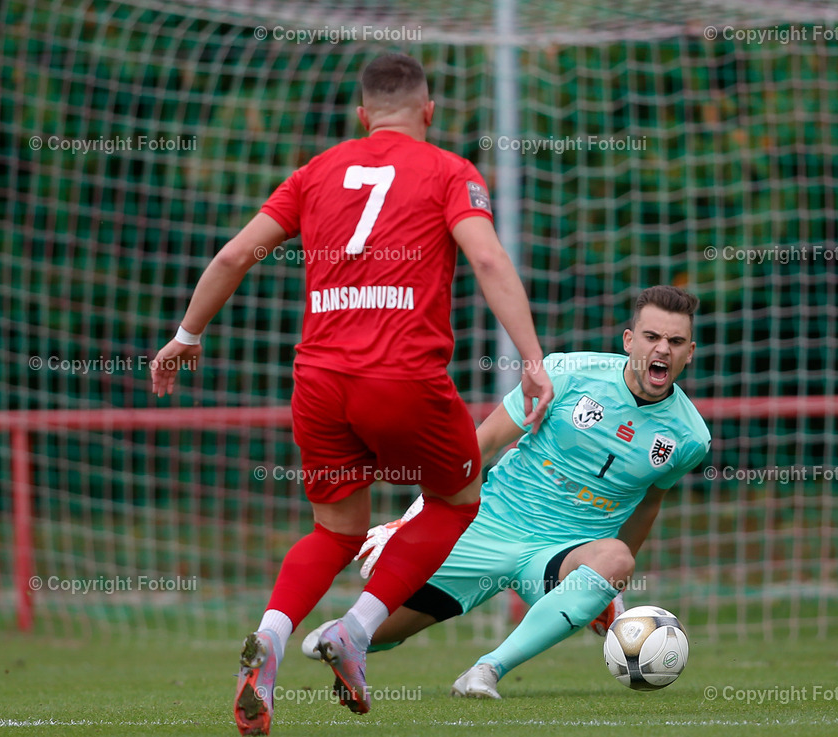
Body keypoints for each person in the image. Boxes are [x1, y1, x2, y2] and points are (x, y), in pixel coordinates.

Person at [149, 53, 553, 735]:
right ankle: (358, 629)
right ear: (429, 111)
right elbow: (486, 256)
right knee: (458, 498)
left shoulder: (314, 173)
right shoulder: (450, 170)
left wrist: (187, 334)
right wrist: (533, 358)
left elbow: (233, 256)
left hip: (319, 383)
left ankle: (272, 638)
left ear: (362, 116)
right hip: (403, 379)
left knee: (335, 530)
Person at [303, 285, 710, 698]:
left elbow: (648, 506)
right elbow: (479, 446)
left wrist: (608, 584)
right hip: (488, 526)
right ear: (629, 340)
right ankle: (346, 633)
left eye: (675, 342)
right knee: (381, 634)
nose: (662, 350)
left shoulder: (690, 437)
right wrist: (411, 519)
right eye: (652, 337)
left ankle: (486, 670)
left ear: (689, 352)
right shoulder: (568, 373)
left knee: (616, 558)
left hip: (561, 554)